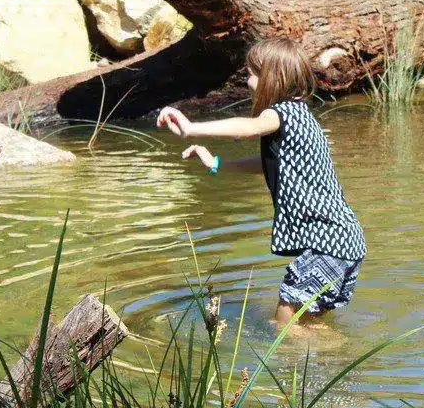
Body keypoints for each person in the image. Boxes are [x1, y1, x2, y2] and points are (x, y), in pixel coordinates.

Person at [156, 37, 366, 329]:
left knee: (284, 326)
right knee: (309, 325)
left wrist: (192, 128)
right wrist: (216, 164)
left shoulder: (281, 112)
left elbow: (247, 128)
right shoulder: (302, 116)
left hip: (327, 244)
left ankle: (336, 359)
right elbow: (268, 165)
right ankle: (333, 362)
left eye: (252, 74)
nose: (248, 82)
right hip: (345, 242)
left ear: (272, 78)